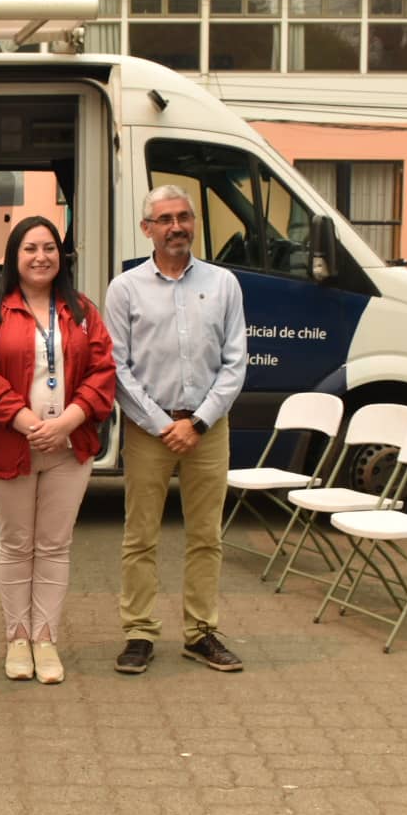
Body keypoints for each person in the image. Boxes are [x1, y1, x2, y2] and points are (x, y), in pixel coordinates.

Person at [0, 216, 115, 685]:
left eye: (49, 248)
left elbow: (103, 370)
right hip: (12, 444)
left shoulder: (83, 310)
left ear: (61, 255)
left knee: (54, 545)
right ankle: (16, 638)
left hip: (70, 447)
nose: (40, 257)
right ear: (14, 256)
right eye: (30, 248)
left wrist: (68, 421)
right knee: (15, 544)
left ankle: (45, 638)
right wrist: (32, 425)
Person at [104, 184, 248, 675]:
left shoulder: (224, 283)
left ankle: (200, 633)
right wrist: (166, 425)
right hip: (150, 429)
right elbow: (117, 368)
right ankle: (139, 631)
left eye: (183, 217)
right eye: (164, 219)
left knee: (206, 535)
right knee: (140, 535)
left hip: (209, 428)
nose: (176, 227)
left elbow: (235, 362)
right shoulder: (124, 289)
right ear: (147, 229)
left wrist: (200, 421)